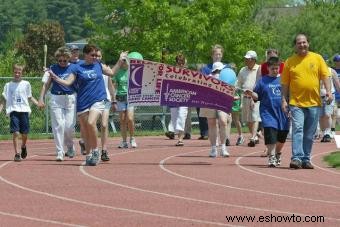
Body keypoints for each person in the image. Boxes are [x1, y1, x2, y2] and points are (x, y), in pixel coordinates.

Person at [50, 44, 124, 166]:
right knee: (86, 130)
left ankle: (96, 151)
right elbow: (68, 82)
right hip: (83, 101)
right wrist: (55, 78)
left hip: (98, 100)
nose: (95, 57)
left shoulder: (99, 65)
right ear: (85, 55)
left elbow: (111, 73)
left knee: (91, 123)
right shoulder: (77, 68)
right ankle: (89, 154)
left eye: (96, 55)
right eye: (92, 55)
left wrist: (120, 60)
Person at [281, 33, 332, 169]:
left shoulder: (317, 58)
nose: (302, 45)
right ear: (295, 46)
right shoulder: (289, 62)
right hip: (296, 102)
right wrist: (283, 100)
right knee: (298, 129)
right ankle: (296, 158)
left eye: (304, 42)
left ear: (308, 43)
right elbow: (285, 83)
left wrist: (328, 91)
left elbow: (326, 75)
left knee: (309, 133)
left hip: (314, 103)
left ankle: (306, 158)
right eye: (299, 43)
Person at [247, 56, 289, 167]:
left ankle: (278, 153)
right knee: (270, 133)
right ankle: (271, 157)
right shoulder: (263, 81)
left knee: (282, 137)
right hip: (268, 112)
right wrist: (251, 94)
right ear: (268, 68)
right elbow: (257, 96)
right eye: (273, 69)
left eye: (277, 68)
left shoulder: (284, 80)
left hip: (283, 112)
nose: (275, 71)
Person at [38, 47, 77, 161]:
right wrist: (41, 98)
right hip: (56, 98)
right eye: (60, 61)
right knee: (58, 125)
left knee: (69, 126)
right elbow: (45, 85)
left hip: (70, 98)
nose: (62, 63)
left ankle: (70, 146)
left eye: (64, 61)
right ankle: (60, 151)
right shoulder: (53, 68)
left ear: (68, 59)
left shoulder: (74, 68)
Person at [0, 64, 39, 161]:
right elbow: (3, 100)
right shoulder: (8, 85)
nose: (17, 74)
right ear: (13, 72)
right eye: (15, 72)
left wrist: (38, 104)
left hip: (24, 110)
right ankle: (17, 154)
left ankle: (23, 146)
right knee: (16, 132)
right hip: (13, 110)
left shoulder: (26, 84)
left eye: (19, 72)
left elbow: (30, 97)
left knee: (24, 134)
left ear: (22, 73)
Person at [200, 62, 236, 158]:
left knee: (223, 121)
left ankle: (223, 147)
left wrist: (232, 97)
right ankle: (213, 148)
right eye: (219, 70)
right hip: (210, 102)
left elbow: (231, 89)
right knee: (211, 124)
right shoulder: (208, 78)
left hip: (222, 102)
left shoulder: (226, 77)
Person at [113, 52, 142, 149]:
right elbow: (114, 86)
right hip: (121, 97)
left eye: (126, 60)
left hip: (131, 98)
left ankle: (132, 138)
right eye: (123, 60)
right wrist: (113, 100)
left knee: (130, 118)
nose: (124, 62)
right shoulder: (118, 72)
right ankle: (124, 141)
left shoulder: (132, 71)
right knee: (122, 120)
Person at [198, 44, 227, 140]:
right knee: (212, 122)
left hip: (223, 98)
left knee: (224, 120)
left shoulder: (226, 68)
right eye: (215, 54)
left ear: (222, 55)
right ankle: (215, 143)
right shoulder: (206, 68)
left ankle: (224, 140)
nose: (217, 56)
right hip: (210, 98)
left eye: (219, 54)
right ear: (212, 55)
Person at [95, 48, 116, 161]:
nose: (97, 57)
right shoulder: (90, 68)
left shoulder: (105, 68)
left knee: (104, 125)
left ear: (101, 57)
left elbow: (110, 85)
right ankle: (94, 148)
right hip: (93, 100)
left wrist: (114, 100)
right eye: (95, 55)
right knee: (92, 124)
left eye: (99, 56)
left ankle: (104, 150)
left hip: (106, 99)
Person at [237, 50, 261, 147]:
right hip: (245, 97)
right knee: (248, 119)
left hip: (256, 97)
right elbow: (238, 83)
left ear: (254, 60)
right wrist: (238, 93)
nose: (246, 60)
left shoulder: (259, 69)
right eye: (246, 58)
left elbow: (260, 84)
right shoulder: (243, 70)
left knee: (255, 117)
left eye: (248, 59)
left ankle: (253, 136)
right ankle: (254, 136)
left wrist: (253, 97)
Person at [319, 55, 340, 142]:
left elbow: (337, 85)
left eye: (325, 60)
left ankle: (328, 132)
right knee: (321, 116)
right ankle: (324, 133)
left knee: (328, 115)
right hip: (319, 96)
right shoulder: (316, 71)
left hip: (330, 95)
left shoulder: (331, 71)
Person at [169, 54, 189, 146]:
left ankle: (180, 139)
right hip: (173, 98)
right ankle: (178, 135)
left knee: (181, 116)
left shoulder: (189, 73)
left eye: (182, 63)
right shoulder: (171, 72)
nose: (180, 65)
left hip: (184, 99)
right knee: (174, 119)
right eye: (179, 63)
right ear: (176, 63)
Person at [230, 63, 244, 145]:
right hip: (227, 101)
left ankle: (241, 136)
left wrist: (241, 103)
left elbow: (241, 92)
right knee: (227, 120)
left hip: (235, 102)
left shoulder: (237, 80)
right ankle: (226, 138)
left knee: (236, 120)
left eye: (233, 69)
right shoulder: (225, 78)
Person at [331, 54, 340, 136]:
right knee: (334, 112)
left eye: (339, 61)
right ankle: (332, 129)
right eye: (337, 61)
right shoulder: (332, 70)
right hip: (335, 94)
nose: (338, 62)